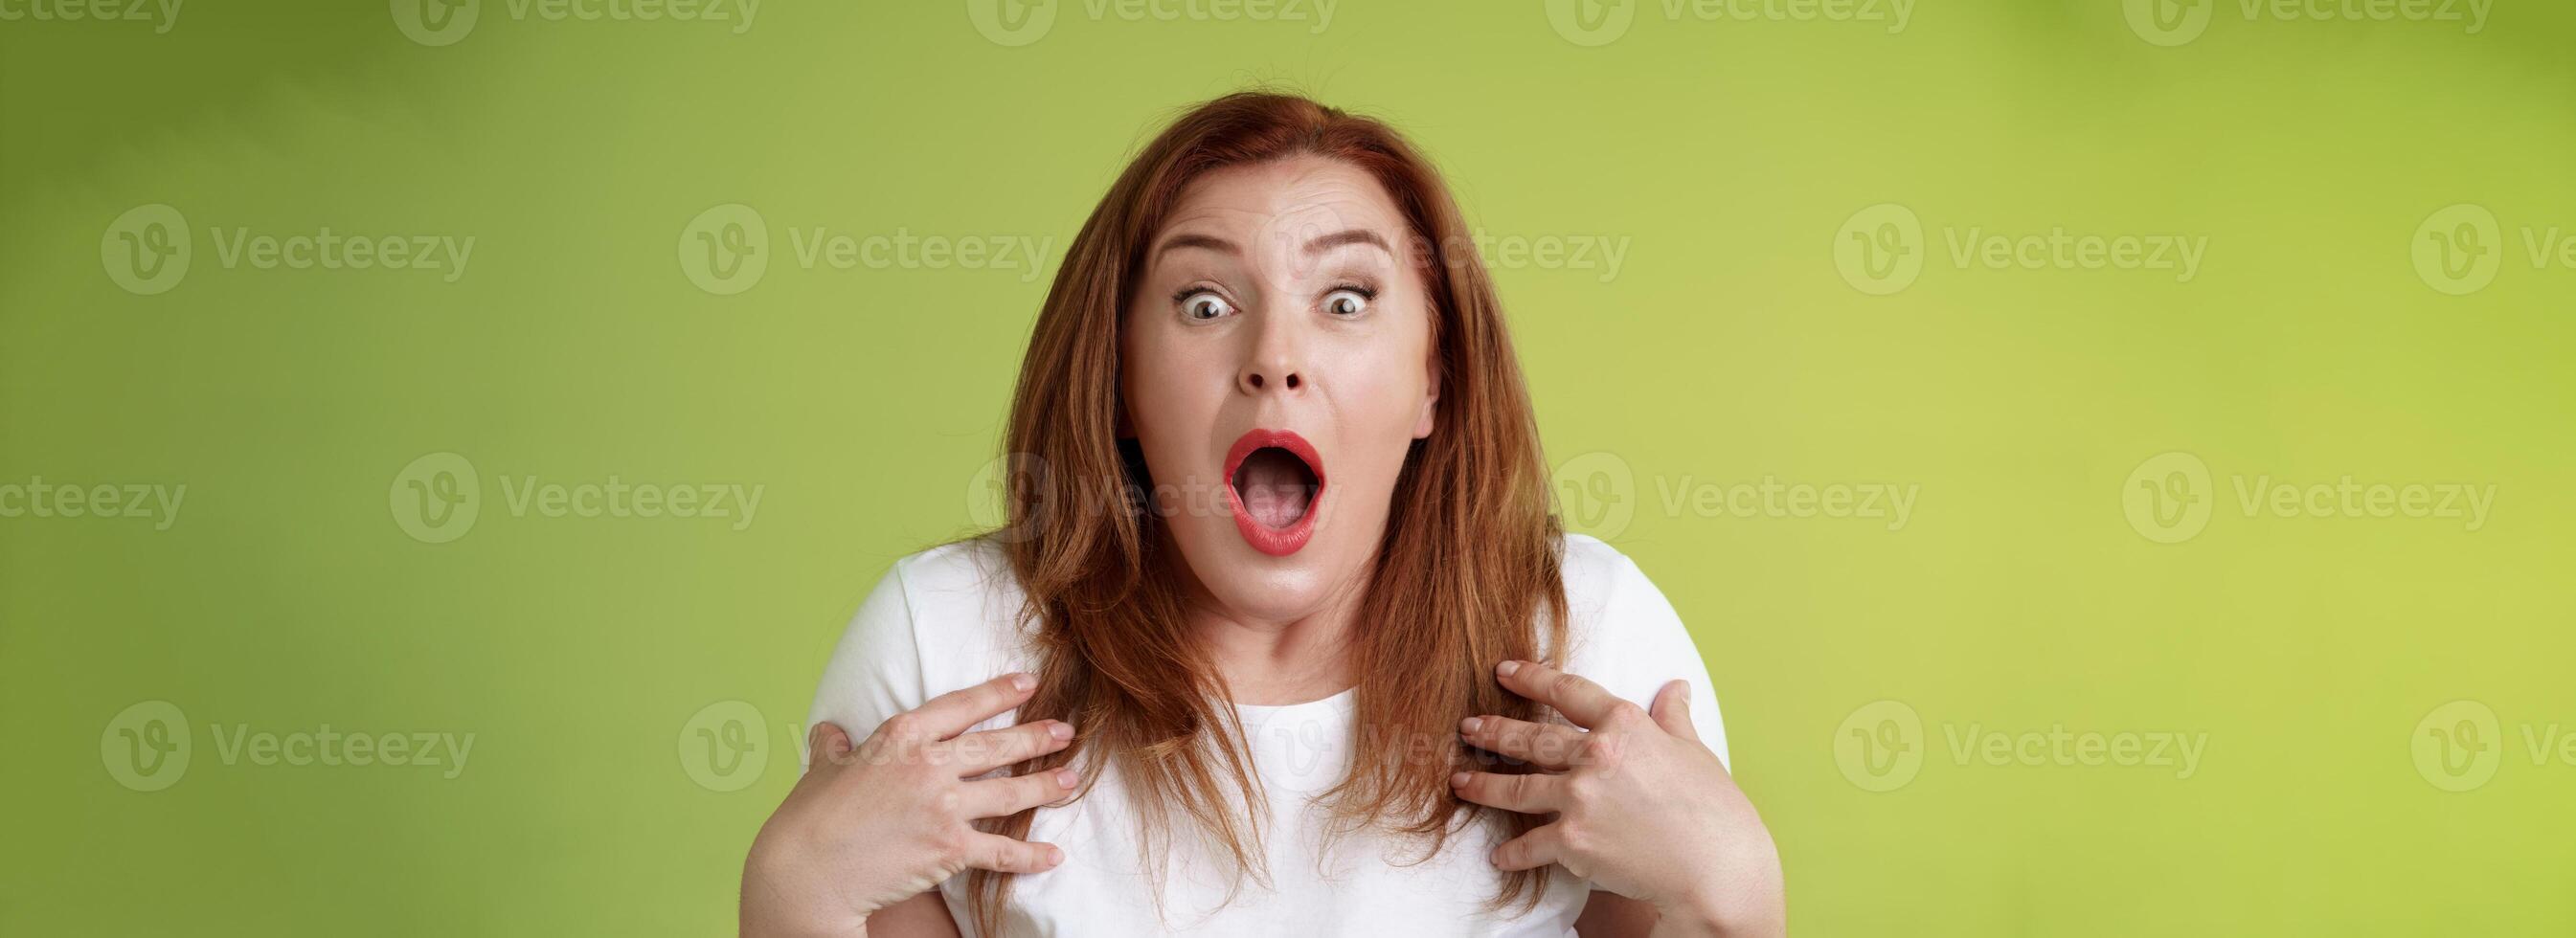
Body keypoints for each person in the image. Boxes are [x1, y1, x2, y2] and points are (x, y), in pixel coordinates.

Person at [740, 92, 1785, 938]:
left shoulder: (1589, 637)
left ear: (1434, 381)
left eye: (1344, 299)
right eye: (1204, 301)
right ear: (1119, 384)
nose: (1272, 358)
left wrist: (1736, 891)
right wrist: (796, 892)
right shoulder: (947, 642)